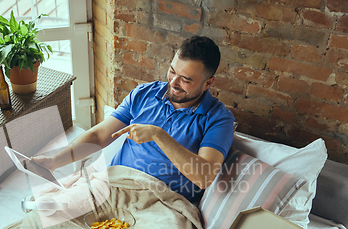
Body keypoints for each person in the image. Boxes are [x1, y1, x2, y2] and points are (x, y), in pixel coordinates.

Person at [33, 36, 235, 203]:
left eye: (186, 79)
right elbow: (98, 135)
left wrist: (158, 135)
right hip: (115, 185)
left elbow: (204, 176)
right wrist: (53, 161)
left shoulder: (218, 119)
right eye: (173, 71)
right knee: (46, 216)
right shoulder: (144, 94)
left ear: (208, 82)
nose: (173, 82)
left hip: (161, 202)